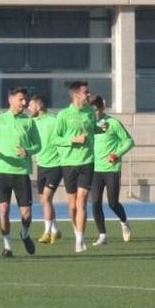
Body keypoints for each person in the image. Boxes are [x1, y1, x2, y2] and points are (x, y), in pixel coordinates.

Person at [0, 87, 41, 257]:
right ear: (11, 100)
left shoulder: (29, 122)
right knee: (4, 210)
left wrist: (28, 151)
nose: (24, 102)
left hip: (22, 172)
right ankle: (7, 246)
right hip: (3, 172)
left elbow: (38, 144)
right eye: (21, 99)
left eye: (25, 100)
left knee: (26, 213)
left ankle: (25, 233)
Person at [51, 81, 97, 253]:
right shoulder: (63, 115)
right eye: (86, 92)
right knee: (73, 206)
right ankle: (76, 229)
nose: (89, 94)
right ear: (76, 94)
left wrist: (101, 128)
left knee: (82, 201)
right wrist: (73, 140)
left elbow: (93, 129)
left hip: (87, 161)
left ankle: (80, 239)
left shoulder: (90, 112)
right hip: (68, 163)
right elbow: (54, 139)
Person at [89, 95, 135, 246]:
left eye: (95, 110)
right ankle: (103, 235)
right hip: (95, 169)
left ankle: (124, 222)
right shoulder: (88, 125)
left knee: (112, 203)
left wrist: (117, 154)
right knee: (95, 202)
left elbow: (129, 141)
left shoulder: (113, 123)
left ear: (102, 108)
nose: (93, 113)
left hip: (111, 168)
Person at [28, 95, 63, 245]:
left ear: (39, 106)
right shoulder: (32, 122)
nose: (28, 108)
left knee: (47, 198)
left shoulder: (54, 121)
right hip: (41, 165)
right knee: (43, 200)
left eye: (30, 105)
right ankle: (56, 230)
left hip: (56, 165)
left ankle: (47, 232)